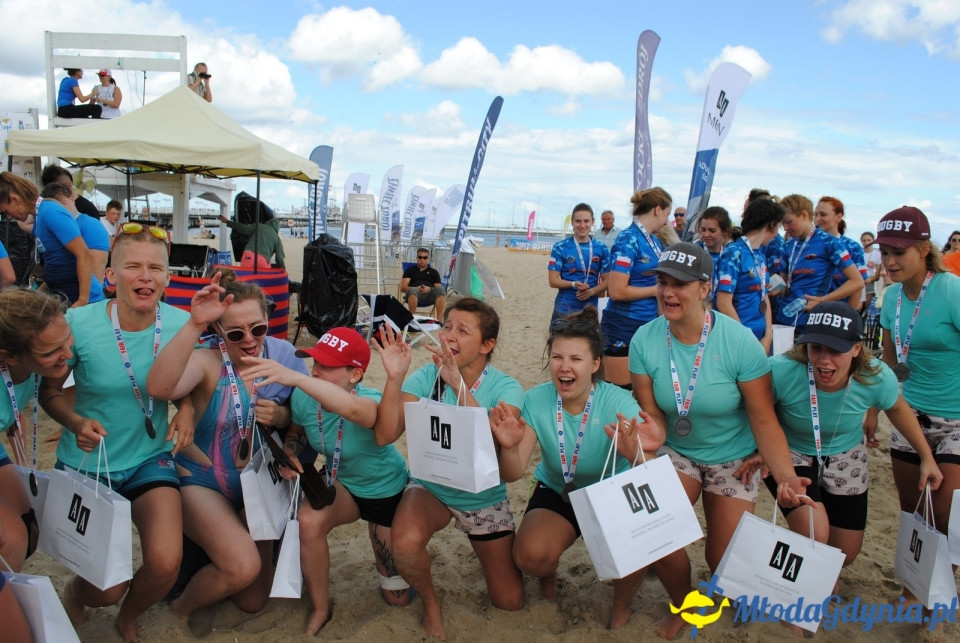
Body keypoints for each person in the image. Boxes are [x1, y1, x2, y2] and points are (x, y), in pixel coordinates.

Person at [629, 242, 810, 639]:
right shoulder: (643, 339)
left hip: (734, 456)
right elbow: (652, 410)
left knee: (723, 560)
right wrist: (654, 432)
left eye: (680, 284)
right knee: (657, 528)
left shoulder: (739, 341)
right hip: (679, 450)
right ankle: (683, 602)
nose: (668, 293)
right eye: (662, 282)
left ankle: (728, 583)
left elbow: (764, 420)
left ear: (704, 288)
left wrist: (785, 477)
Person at [38, 221, 193, 642]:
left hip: (149, 458)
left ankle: (130, 615)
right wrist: (74, 423)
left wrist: (188, 411)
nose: (146, 276)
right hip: (89, 463)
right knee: (105, 590)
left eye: (156, 268)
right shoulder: (79, 323)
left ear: (167, 276)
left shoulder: (182, 324)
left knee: (164, 563)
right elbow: (48, 391)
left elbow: (190, 383)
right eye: (133, 266)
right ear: (110, 275)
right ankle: (76, 590)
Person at [489, 307, 665, 628]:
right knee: (530, 555)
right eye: (558, 357)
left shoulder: (618, 402)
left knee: (637, 547)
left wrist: (636, 454)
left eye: (576, 359)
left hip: (610, 492)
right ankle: (548, 576)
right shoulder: (535, 400)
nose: (565, 367)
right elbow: (514, 472)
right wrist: (508, 446)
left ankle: (621, 605)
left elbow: (650, 470)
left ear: (596, 364)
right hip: (560, 490)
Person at [145, 270, 304, 626]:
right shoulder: (207, 361)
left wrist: (283, 415)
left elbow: (307, 415)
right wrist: (193, 324)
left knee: (252, 602)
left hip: (256, 487)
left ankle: (218, 555)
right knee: (242, 566)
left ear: (268, 321)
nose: (249, 340)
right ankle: (179, 612)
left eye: (258, 329)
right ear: (219, 330)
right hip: (204, 483)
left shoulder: (283, 358)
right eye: (236, 332)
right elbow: (159, 387)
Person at [238, 325, 414, 635]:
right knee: (309, 521)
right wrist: (290, 453)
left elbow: (351, 409)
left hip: (387, 491)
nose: (315, 371)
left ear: (354, 375)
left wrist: (296, 377)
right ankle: (320, 608)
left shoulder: (370, 401)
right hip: (343, 483)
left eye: (327, 366)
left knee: (396, 599)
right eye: (314, 363)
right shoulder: (305, 398)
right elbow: (297, 429)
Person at [377, 297, 524, 640]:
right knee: (404, 541)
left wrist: (457, 382)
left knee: (510, 601)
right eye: (446, 327)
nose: (449, 336)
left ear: (488, 345)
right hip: (433, 487)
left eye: (463, 330)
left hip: (482, 495)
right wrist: (395, 379)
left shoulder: (506, 387)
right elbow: (385, 434)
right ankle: (431, 603)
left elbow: (492, 449)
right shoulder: (427, 375)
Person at [766, 302, 942, 568]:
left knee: (845, 553)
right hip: (792, 450)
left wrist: (926, 457)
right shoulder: (779, 371)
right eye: (816, 348)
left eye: (836, 350)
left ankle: (823, 571)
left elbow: (897, 408)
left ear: (856, 349)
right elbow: (757, 414)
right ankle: (802, 580)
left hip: (846, 452)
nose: (824, 360)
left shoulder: (876, 377)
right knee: (815, 531)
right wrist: (760, 451)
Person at [872, 207, 960, 568]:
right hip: (909, 415)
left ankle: (940, 590)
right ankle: (917, 585)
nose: (890, 262)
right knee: (911, 509)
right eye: (885, 252)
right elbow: (890, 363)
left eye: (899, 252)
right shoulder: (891, 298)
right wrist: (872, 407)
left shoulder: (952, 290)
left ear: (925, 250)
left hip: (956, 419)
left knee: (944, 514)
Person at [0, 289, 74, 572]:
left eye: (66, 340)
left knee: (28, 530)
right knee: (10, 540)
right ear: (10, 356)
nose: (67, 354)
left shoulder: (31, 358)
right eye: (52, 351)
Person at [601, 187, 672, 388]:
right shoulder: (628, 239)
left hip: (648, 325)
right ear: (658, 209)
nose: (667, 221)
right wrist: (656, 290)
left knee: (642, 394)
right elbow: (616, 291)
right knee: (621, 393)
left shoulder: (655, 241)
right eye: (667, 214)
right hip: (623, 326)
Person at [774, 194, 863, 332]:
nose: (785, 228)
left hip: (813, 322)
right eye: (782, 224)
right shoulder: (788, 246)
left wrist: (822, 300)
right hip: (784, 319)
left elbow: (857, 282)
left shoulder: (830, 243)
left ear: (804, 215)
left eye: (789, 222)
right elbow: (783, 285)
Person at [716, 198, 785, 351]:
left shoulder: (760, 255)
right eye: (778, 227)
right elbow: (723, 302)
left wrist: (768, 334)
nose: (776, 235)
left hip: (759, 338)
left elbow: (764, 294)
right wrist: (746, 339)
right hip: (739, 340)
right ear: (771, 225)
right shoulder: (734, 253)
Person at [35, 183, 103, 306]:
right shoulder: (53, 222)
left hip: (87, 301)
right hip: (67, 298)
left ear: (71, 198)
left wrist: (83, 300)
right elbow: (60, 266)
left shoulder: (90, 225)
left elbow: (96, 271)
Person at [547, 203, 609, 323]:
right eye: (578, 221)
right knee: (561, 341)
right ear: (572, 222)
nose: (582, 225)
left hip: (590, 308)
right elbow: (553, 281)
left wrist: (592, 291)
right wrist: (574, 284)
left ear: (593, 222)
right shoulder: (560, 247)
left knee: (588, 342)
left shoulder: (601, 248)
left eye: (586, 221)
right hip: (565, 307)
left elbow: (608, 280)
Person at [814, 196, 867, 309]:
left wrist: (847, 315)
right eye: (815, 215)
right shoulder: (807, 246)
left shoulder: (853, 247)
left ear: (839, 217)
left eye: (823, 214)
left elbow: (859, 286)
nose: (818, 219)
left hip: (838, 311)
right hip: (808, 312)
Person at [695, 206, 733, 304]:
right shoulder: (694, 252)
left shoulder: (731, 256)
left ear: (725, 231)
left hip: (720, 313)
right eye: (703, 230)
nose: (706, 235)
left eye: (712, 231)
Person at [217, 214, 284, 269]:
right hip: (263, 259)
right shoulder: (277, 238)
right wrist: (282, 268)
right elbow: (279, 257)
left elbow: (243, 228)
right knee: (262, 282)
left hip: (249, 256)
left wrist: (227, 221)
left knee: (244, 280)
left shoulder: (258, 226)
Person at [400, 247, 445, 319]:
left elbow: (438, 287)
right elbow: (403, 288)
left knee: (440, 289)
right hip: (414, 294)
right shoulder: (410, 270)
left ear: (428, 259)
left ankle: (439, 320)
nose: (422, 260)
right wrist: (416, 288)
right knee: (413, 290)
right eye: (420, 257)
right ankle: (412, 319)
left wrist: (430, 289)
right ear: (417, 258)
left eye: (424, 258)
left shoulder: (434, 272)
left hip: (429, 295)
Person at [860, 231, 883, 314]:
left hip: (869, 282)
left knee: (865, 309)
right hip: (858, 281)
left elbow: (877, 276)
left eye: (869, 240)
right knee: (857, 307)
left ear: (873, 240)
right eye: (864, 240)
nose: (866, 242)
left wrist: (868, 280)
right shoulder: (858, 252)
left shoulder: (877, 254)